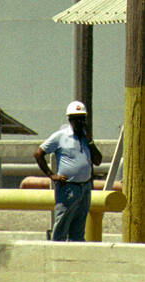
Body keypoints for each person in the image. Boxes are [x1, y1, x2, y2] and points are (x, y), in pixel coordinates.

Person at [34, 101, 104, 242]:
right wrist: (51, 175)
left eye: (82, 119)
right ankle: (56, 255)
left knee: (78, 229)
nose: (79, 122)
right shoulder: (61, 136)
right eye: (76, 119)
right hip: (68, 188)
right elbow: (39, 153)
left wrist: (90, 141)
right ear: (69, 119)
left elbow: (98, 160)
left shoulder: (86, 138)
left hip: (84, 188)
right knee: (61, 226)